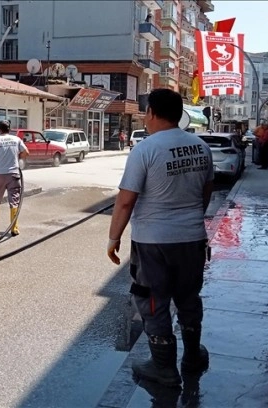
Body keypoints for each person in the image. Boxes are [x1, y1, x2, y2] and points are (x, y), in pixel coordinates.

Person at [106, 88, 214, 387]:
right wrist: (190, 219)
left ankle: (163, 365)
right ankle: (193, 354)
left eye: (146, 112)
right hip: (192, 239)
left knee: (152, 300)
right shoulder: (200, 146)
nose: (145, 117)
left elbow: (126, 200)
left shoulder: (145, 149)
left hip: (153, 241)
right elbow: (206, 191)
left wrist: (113, 238)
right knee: (189, 297)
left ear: (152, 113)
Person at [0, 120, 29, 236]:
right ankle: (14, 229)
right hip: (13, 174)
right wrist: (17, 157)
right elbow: (26, 152)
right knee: (14, 201)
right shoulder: (16, 140)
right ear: (9, 129)